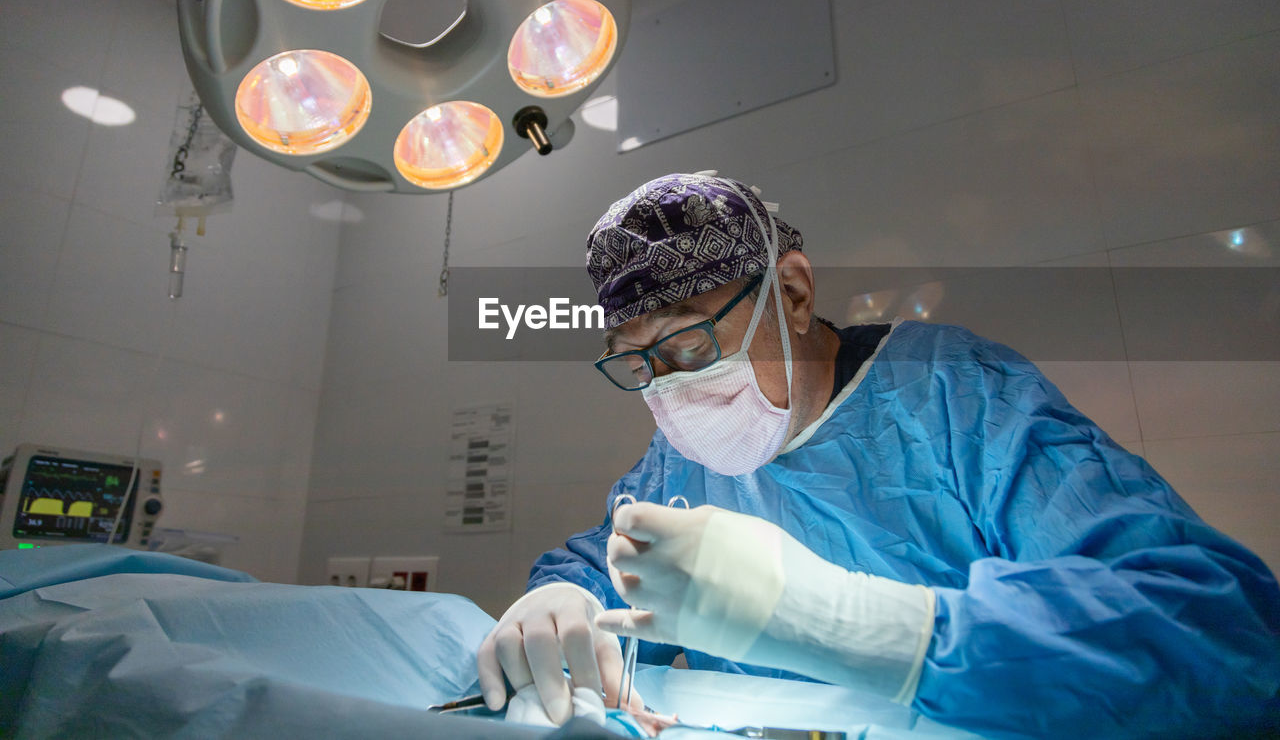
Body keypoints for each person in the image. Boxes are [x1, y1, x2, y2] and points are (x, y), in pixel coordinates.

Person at [477, 172, 1280, 736]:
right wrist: (562, 604)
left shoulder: (951, 396)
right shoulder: (679, 460)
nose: (670, 392)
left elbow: (1225, 633)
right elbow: (604, 560)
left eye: (688, 343)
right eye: (638, 362)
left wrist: (844, 621)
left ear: (791, 293)